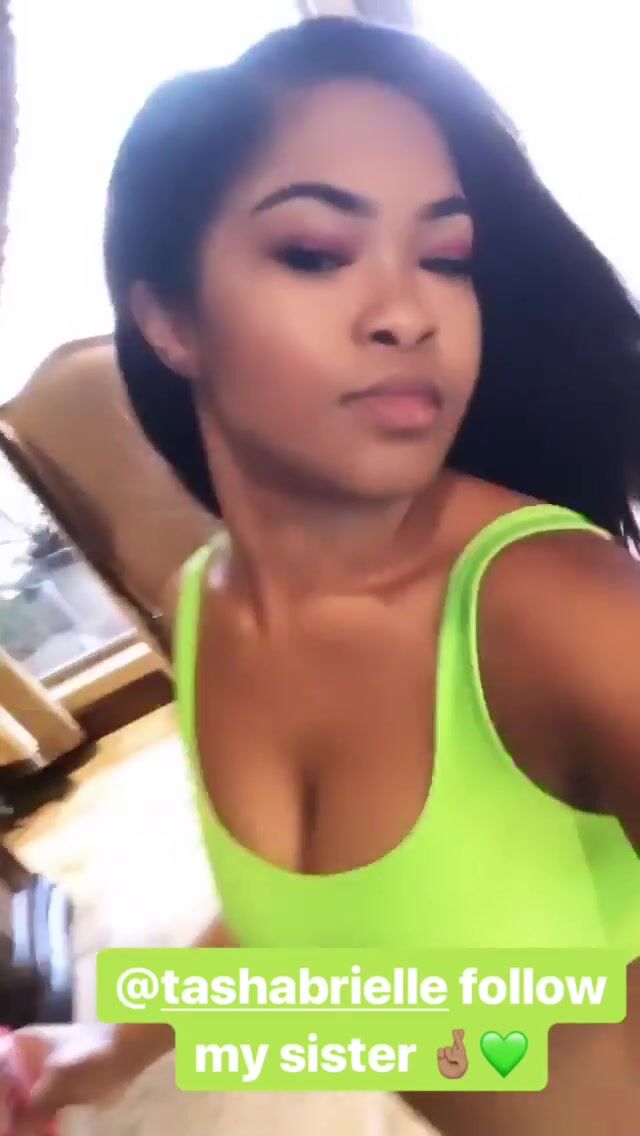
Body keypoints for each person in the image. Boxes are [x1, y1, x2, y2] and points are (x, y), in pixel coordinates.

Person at [3, 14, 640, 1136]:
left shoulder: (553, 612)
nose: (408, 312)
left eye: (445, 258)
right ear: (169, 320)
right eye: (315, 252)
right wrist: (106, 1048)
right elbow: (339, 937)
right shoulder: (204, 604)